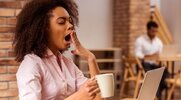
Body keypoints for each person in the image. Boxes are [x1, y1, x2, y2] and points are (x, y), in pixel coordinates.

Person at [13, 0, 103, 100]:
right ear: (43, 28)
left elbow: (98, 97)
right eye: (61, 22)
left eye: (70, 21)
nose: (70, 25)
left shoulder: (68, 64)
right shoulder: (32, 64)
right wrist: (77, 97)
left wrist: (91, 58)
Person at [134, 20, 169, 100]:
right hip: (144, 65)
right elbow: (137, 54)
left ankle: (156, 96)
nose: (154, 33)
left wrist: (158, 58)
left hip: (155, 65)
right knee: (154, 77)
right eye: (153, 31)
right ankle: (156, 97)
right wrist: (149, 56)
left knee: (165, 73)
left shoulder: (159, 42)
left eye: (156, 31)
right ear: (148, 30)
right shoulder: (140, 40)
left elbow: (160, 54)